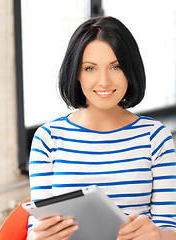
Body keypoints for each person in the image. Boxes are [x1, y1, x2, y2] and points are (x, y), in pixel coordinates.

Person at [27, 16, 176, 240]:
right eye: (90, 68)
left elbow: (169, 229)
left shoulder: (156, 137)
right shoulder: (47, 139)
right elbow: (36, 228)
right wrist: (36, 237)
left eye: (115, 66)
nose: (104, 81)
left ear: (130, 70)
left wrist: (158, 235)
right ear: (76, 73)